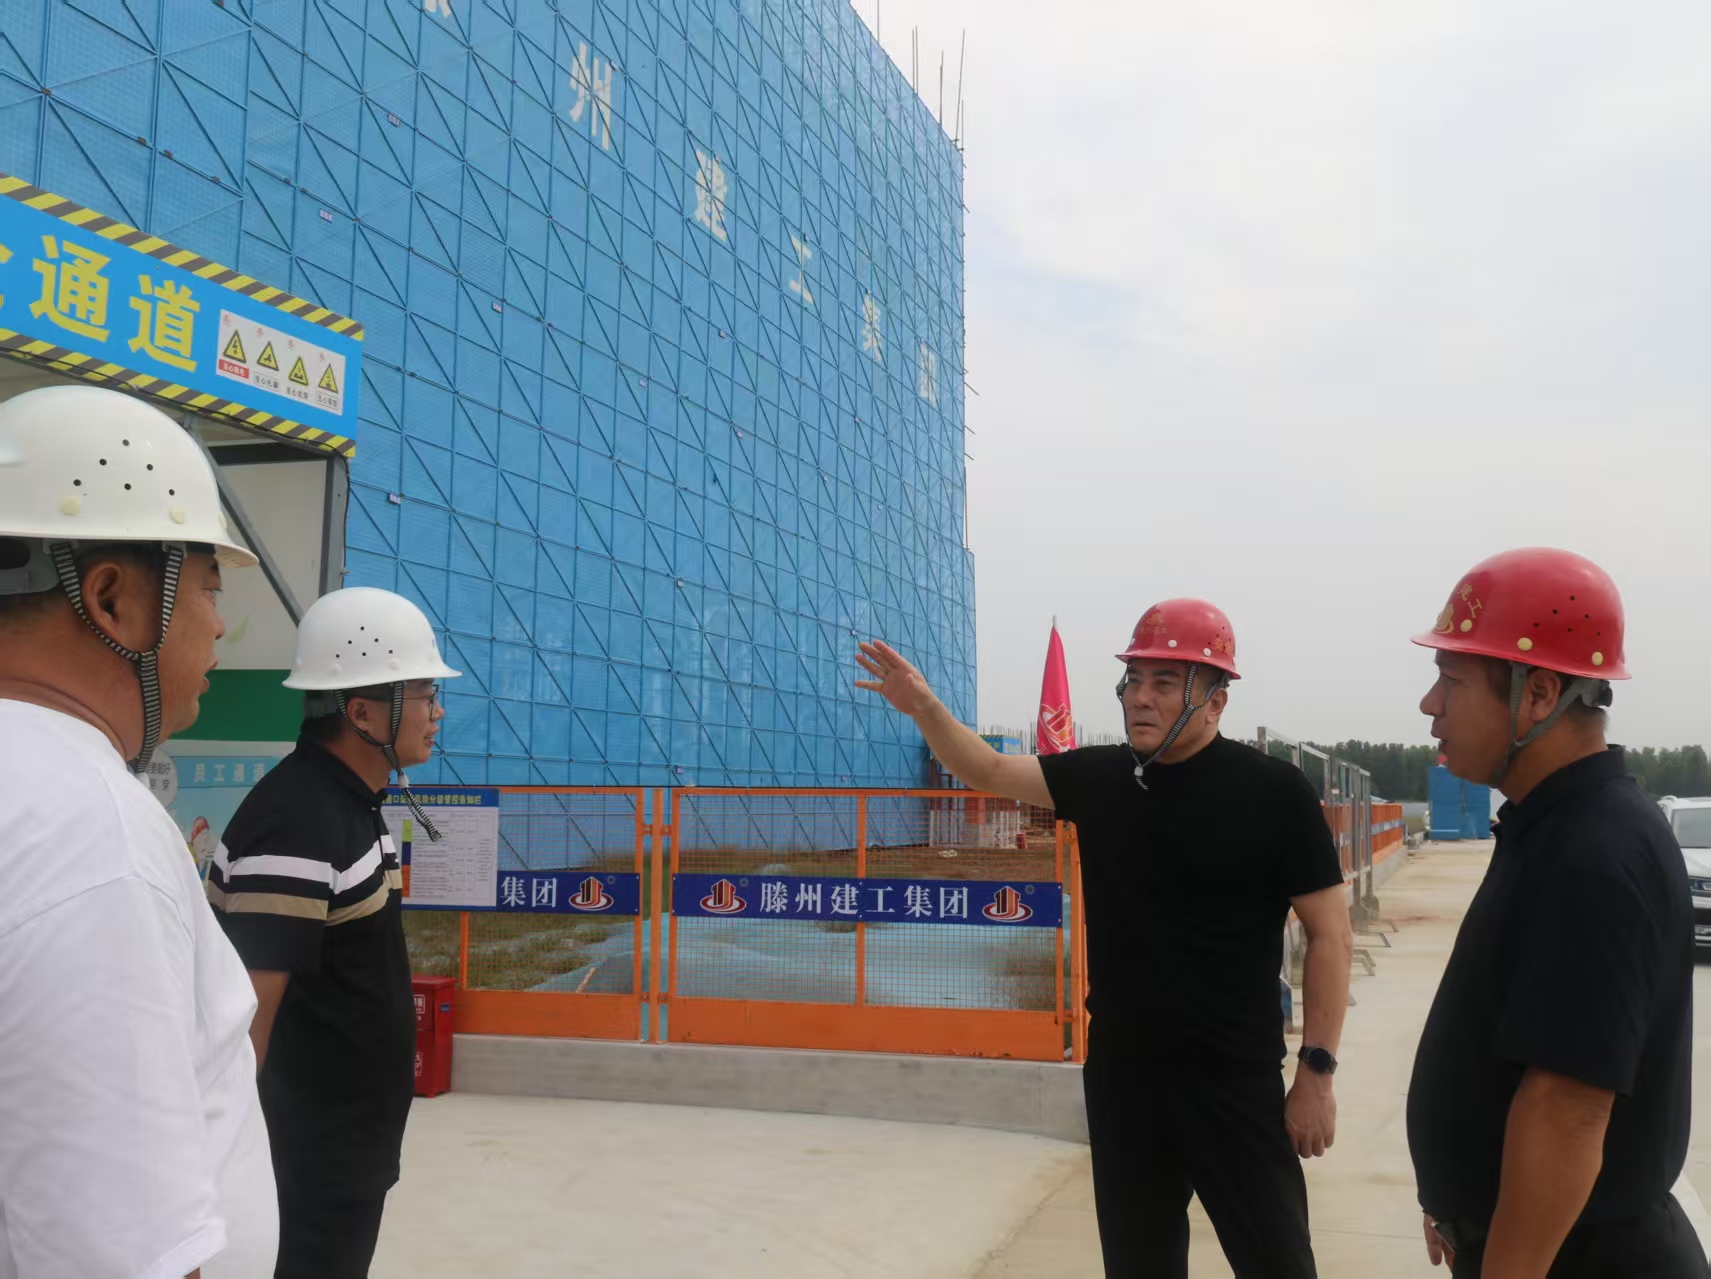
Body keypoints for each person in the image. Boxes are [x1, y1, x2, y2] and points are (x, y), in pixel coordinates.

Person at [857, 599, 1354, 1278]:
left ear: (1215, 701)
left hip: (1233, 1083)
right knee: (1138, 1264)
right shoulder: (1101, 779)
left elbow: (1331, 936)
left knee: (1278, 1264)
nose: (1140, 698)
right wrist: (923, 706)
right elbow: (989, 771)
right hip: (1124, 1080)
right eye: (1133, 680)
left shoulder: (1274, 793)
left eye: (1164, 682)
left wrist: (1316, 1073)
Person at [0, 385, 276, 1276]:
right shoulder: (88, 829)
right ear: (112, 599)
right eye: (207, 587)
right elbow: (116, 1249)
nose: (220, 624)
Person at [1408, 548, 1705, 1277]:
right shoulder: (1553, 826)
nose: (1429, 705)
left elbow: (1569, 1112)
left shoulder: (1595, 855)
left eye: (1451, 680)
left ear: (1537, 694)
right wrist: (1455, 1195)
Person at [206, 587, 459, 1279]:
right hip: (300, 1166)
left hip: (340, 1157)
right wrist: (222, 1167)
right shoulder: (297, 821)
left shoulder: (348, 806)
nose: (437, 712)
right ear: (362, 711)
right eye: (425, 694)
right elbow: (243, 1020)